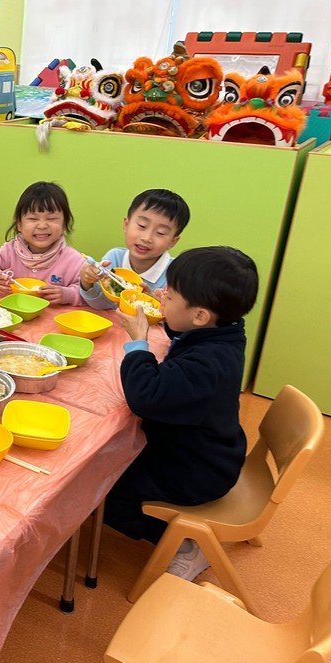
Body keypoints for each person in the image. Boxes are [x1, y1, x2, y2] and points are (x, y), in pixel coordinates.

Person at [105, 246, 258, 582]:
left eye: (170, 295)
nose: (162, 294)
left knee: (102, 494)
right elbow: (187, 337)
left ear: (200, 316)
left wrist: (138, 342)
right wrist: (167, 314)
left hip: (194, 472)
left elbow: (145, 397)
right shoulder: (225, 333)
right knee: (109, 462)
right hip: (212, 451)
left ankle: (185, 544)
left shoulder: (206, 364)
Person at [0, 181, 86, 305]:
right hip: (11, 313)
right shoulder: (9, 251)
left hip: (52, 316)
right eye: (33, 219)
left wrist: (67, 295)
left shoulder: (73, 260)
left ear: (64, 224)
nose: (42, 226)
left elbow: (91, 294)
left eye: (51, 219)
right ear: (19, 224)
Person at [79, 188, 189, 309]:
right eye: (142, 226)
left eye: (160, 232)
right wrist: (87, 282)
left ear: (173, 241)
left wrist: (160, 306)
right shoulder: (114, 258)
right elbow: (101, 305)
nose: (147, 238)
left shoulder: (176, 274)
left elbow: (181, 317)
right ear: (126, 225)